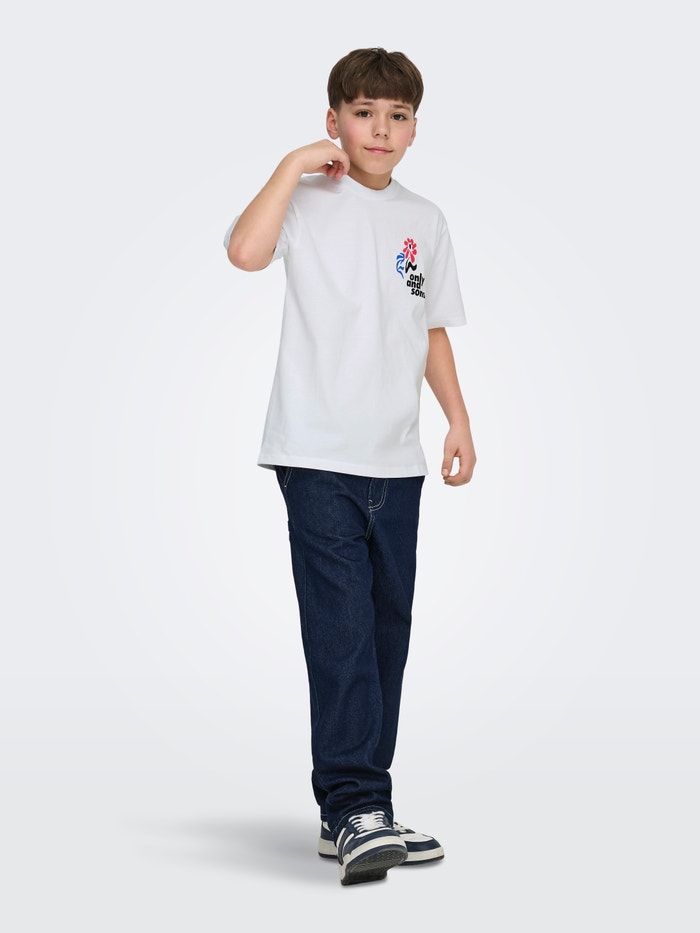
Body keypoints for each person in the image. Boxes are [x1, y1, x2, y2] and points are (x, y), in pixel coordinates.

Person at [223, 47, 476, 886]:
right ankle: (356, 801)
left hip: (395, 461)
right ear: (334, 121)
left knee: (385, 633)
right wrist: (291, 164)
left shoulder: (425, 219)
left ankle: (358, 813)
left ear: (414, 129)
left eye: (397, 115)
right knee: (341, 632)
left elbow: (430, 326)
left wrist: (458, 419)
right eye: (363, 112)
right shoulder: (304, 200)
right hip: (316, 454)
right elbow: (245, 253)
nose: (380, 128)